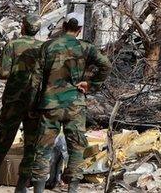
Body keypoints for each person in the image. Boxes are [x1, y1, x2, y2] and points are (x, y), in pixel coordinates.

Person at [29, 16, 111, 193]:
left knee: (43, 148)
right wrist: (91, 84)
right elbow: (105, 65)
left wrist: (33, 104)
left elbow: (35, 79)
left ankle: (38, 189)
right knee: (76, 147)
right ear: (79, 29)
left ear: (63, 26)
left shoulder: (48, 46)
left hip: (50, 105)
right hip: (75, 105)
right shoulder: (85, 47)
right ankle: (72, 189)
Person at [0, 13, 43, 193]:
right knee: (32, 143)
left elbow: (3, 73)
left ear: (23, 27)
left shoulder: (12, 45)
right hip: (34, 102)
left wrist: (18, 72)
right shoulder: (44, 47)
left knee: (1, 140)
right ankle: (22, 184)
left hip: (13, 100)